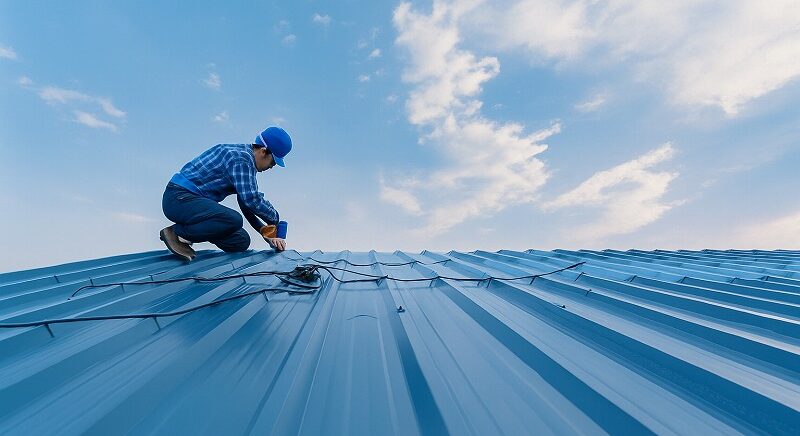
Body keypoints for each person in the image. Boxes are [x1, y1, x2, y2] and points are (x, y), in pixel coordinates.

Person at [159, 126, 291, 261]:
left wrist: (266, 232)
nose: (271, 167)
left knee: (240, 241)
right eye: (273, 162)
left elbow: (245, 202)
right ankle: (177, 234)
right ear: (263, 151)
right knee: (233, 219)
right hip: (178, 198)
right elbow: (252, 200)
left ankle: (191, 234)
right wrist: (275, 221)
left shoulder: (245, 161)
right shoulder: (241, 160)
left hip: (189, 203)